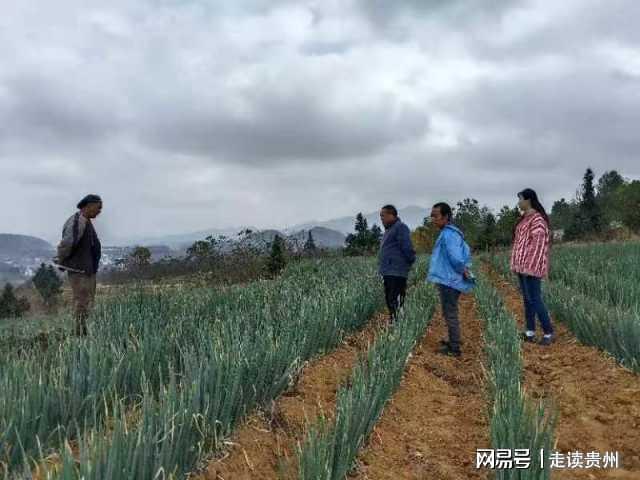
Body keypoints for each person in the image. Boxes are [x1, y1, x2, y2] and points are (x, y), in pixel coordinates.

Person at [427, 202, 474, 357]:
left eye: (436, 216)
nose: (433, 219)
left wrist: (463, 270)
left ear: (446, 217)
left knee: (450, 312)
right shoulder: (452, 233)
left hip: (449, 280)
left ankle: (454, 348)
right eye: (432, 215)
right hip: (449, 279)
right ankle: (453, 340)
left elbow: (456, 258)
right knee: (449, 312)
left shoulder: (449, 235)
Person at [510, 188, 554, 345]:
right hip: (522, 267)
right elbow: (518, 244)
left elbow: (538, 245)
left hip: (531, 268)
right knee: (527, 300)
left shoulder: (538, 220)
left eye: (520, 199)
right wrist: (516, 264)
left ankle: (549, 332)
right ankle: (530, 332)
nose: (519, 203)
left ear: (528, 200)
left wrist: (530, 267)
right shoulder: (523, 219)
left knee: (535, 299)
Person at [55, 194, 103, 336]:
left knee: (86, 303)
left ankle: (84, 331)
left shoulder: (85, 221)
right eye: (98, 207)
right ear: (88, 206)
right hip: (80, 272)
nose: (100, 211)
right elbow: (67, 244)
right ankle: (79, 334)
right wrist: (62, 260)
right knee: (82, 303)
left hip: (86, 271)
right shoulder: (77, 222)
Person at [378, 204, 416, 322]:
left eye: (383, 216)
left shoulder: (400, 227)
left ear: (391, 215)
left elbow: (407, 247)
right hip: (389, 271)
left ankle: (398, 324)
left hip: (396, 272)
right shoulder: (390, 229)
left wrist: (410, 261)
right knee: (390, 298)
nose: (381, 218)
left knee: (395, 299)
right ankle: (395, 321)